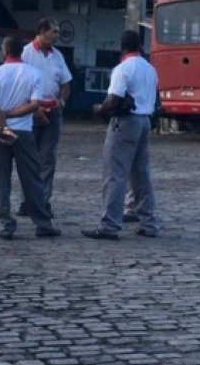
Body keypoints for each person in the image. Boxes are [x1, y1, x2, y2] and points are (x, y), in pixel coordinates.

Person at [81, 30, 161, 240]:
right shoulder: (150, 69)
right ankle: (149, 222)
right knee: (141, 174)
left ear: (122, 47)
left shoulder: (123, 69)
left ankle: (110, 225)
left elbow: (114, 99)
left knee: (115, 174)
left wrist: (99, 109)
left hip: (126, 122)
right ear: (139, 46)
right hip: (145, 121)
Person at [0, 36, 61, 240]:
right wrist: (13, 116)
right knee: (32, 179)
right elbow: (35, 104)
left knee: (0, 179)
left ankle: (5, 224)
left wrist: (3, 123)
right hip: (24, 131)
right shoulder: (33, 74)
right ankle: (42, 222)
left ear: (5, 50)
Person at [19, 17, 72, 217]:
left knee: (47, 159)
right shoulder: (26, 53)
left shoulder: (57, 56)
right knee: (29, 159)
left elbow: (66, 83)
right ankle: (28, 200)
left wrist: (61, 101)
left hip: (53, 112)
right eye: (54, 32)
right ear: (42, 31)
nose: (57, 35)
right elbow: (21, 83)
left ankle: (43, 201)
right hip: (31, 112)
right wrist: (33, 108)